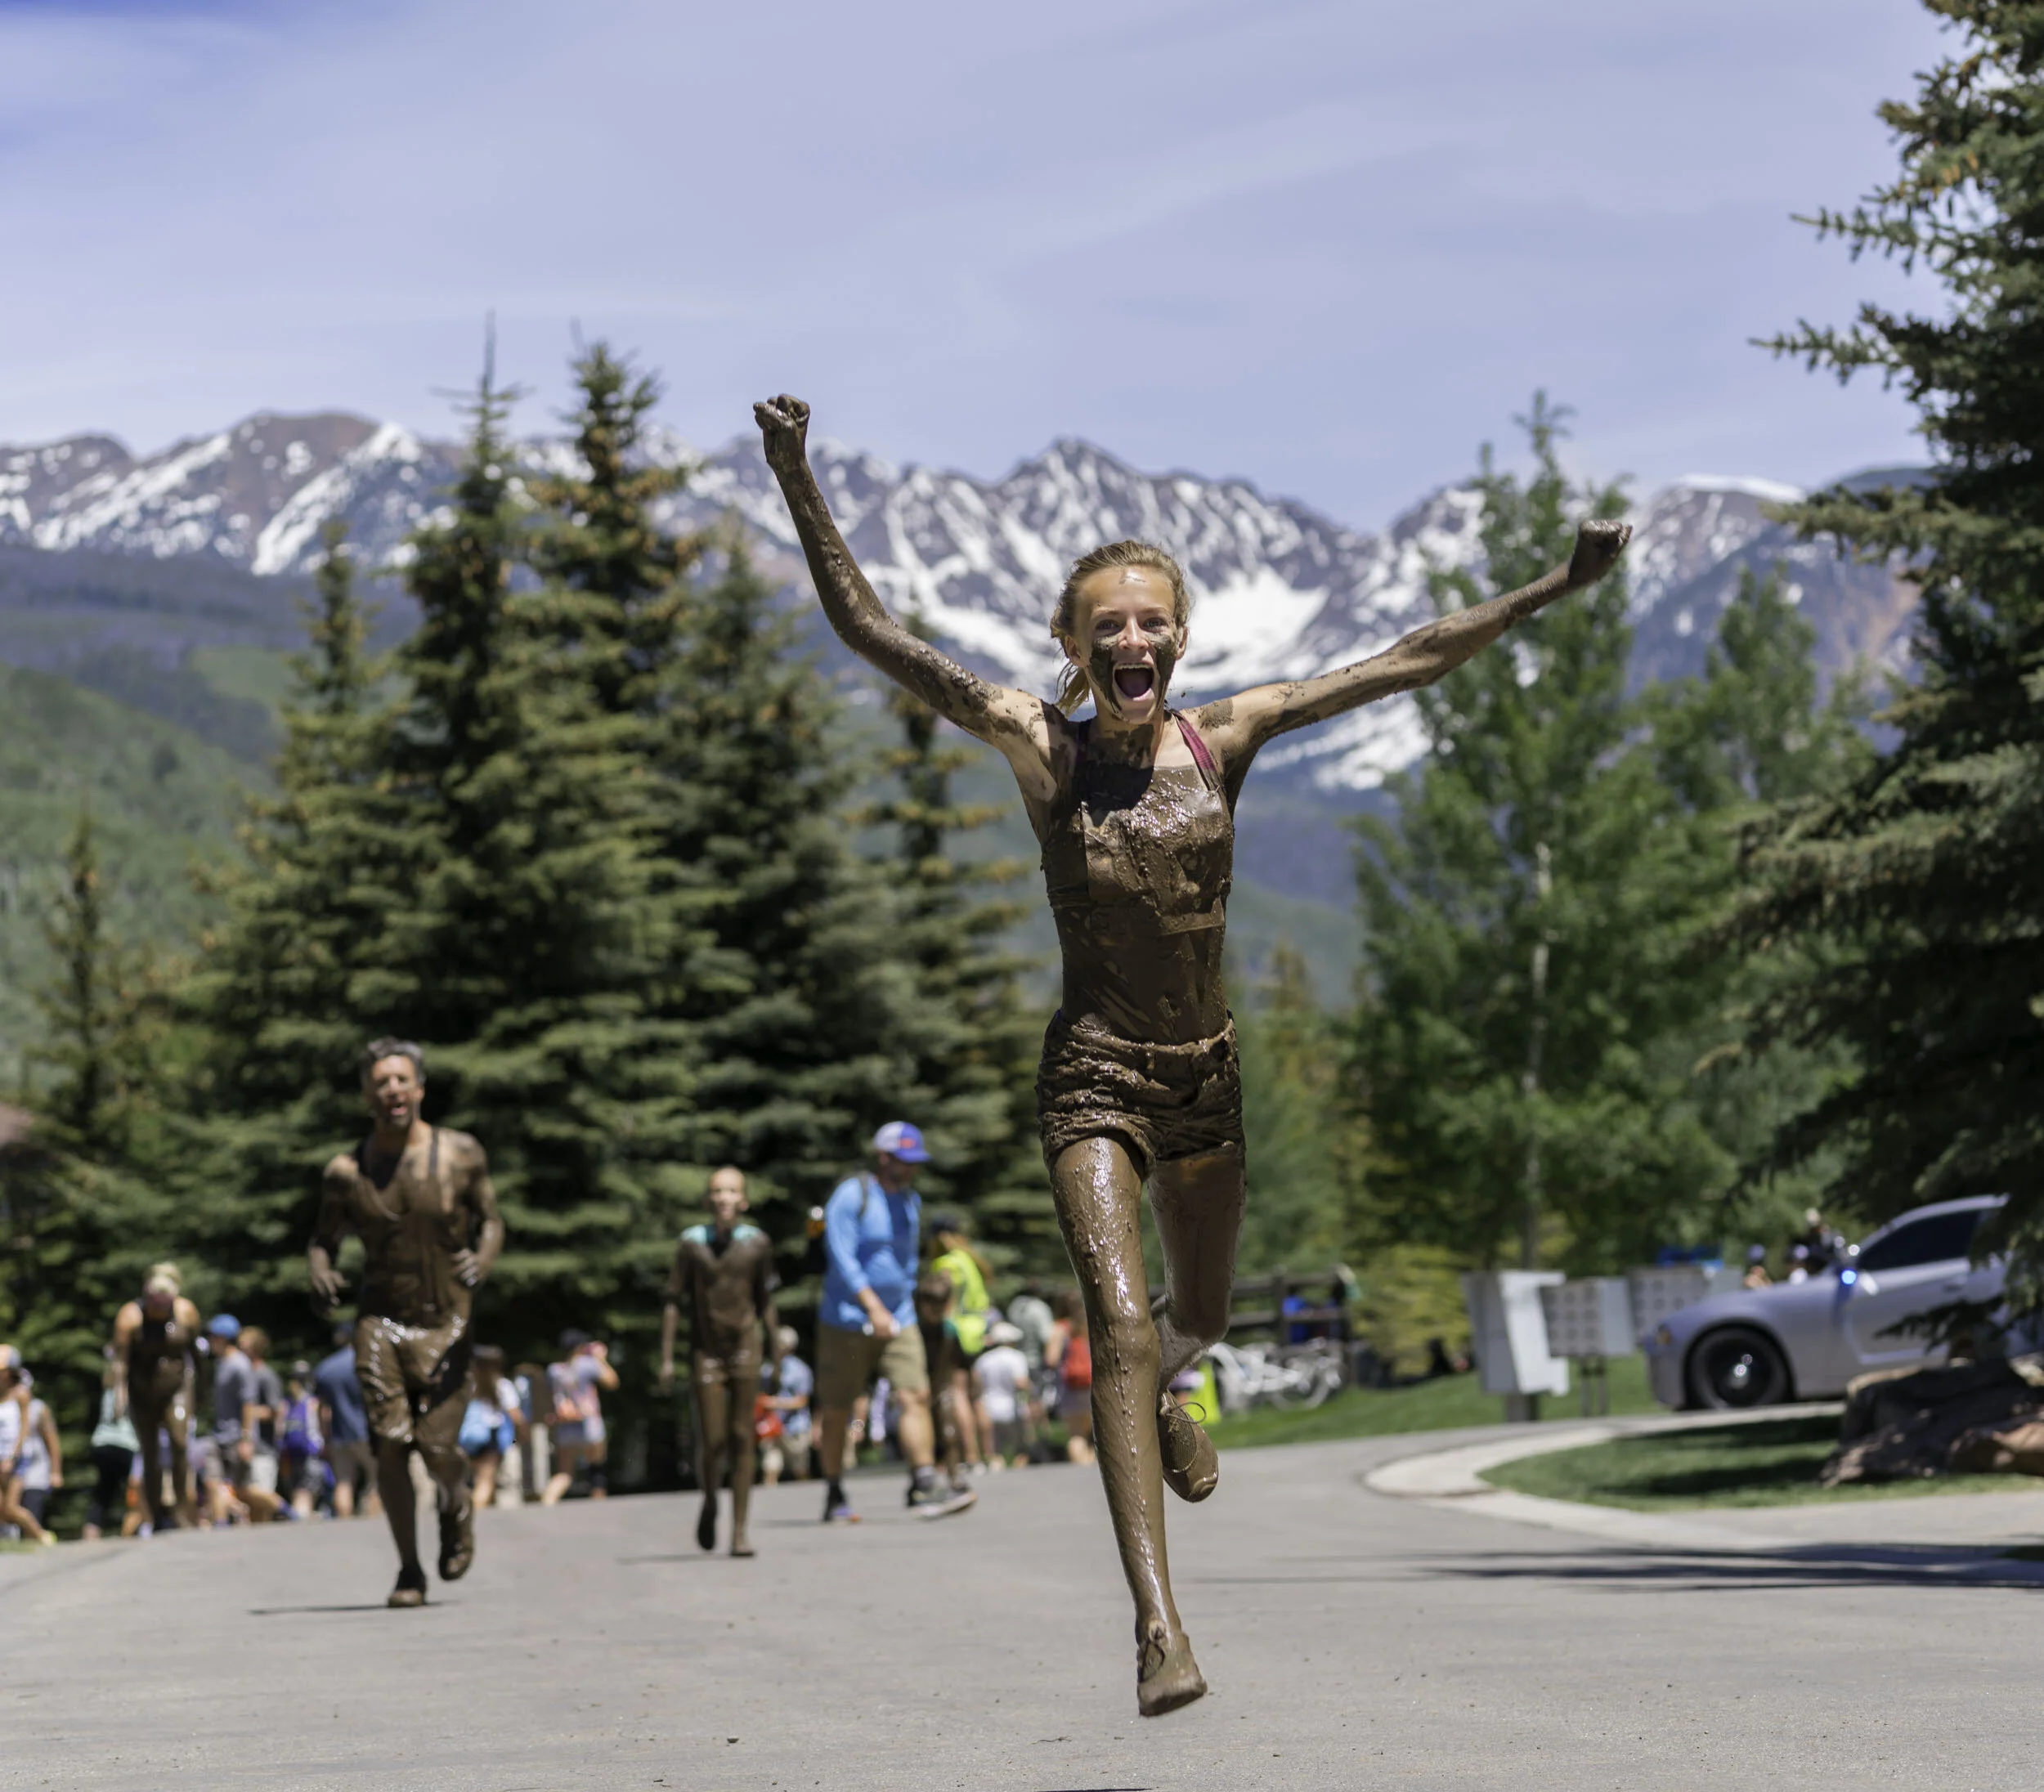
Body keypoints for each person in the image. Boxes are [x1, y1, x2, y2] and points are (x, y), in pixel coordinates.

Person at [755, 388, 1629, 1714]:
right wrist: (796, 473)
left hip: (1206, 1077)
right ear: (1072, 642)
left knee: (1196, 1318)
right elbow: (872, 630)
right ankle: (1159, 1627)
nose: (1130, 638)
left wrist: (1557, 584)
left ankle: (1169, 1387)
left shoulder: (1222, 739)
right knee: (1118, 1318)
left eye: (1150, 620)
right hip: (1095, 1075)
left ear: (1177, 638)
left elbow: (1409, 656)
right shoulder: (1038, 747)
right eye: (1105, 623)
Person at [307, 1036, 504, 1607]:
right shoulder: (347, 1171)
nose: (392, 1090)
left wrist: (483, 1258)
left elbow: (492, 1221)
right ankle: (409, 1570)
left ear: (419, 1088)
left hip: (448, 1322)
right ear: (367, 1094)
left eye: (401, 1079)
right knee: (391, 1443)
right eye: (380, 1081)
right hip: (380, 1321)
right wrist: (320, 1271)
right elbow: (322, 1241)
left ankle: (456, 1501)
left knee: (438, 1448)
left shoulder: (461, 1153)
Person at [813, 1122, 974, 1525]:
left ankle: (923, 1482)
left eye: (915, 1162)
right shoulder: (852, 1197)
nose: (911, 1169)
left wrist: (904, 1308)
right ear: (883, 1158)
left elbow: (905, 1263)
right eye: (904, 1161)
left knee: (915, 1395)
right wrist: (872, 1308)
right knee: (837, 1410)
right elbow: (842, 1258)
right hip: (845, 1320)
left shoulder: (910, 1201)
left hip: (899, 1317)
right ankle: (834, 1490)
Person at [658, 1166, 779, 1557]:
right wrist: (666, 1357)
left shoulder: (757, 1244)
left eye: (731, 1191)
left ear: (742, 1200)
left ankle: (740, 1532)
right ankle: (711, 1499)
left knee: (744, 1436)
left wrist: (776, 1350)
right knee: (713, 1440)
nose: (724, 1197)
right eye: (717, 1191)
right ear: (708, 1200)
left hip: (745, 1345)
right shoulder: (692, 1245)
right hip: (706, 1350)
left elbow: (765, 1301)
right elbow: (673, 1302)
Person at [110, 1263, 201, 1533]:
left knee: (180, 1442)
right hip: (142, 1391)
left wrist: (203, 1389)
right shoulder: (129, 1317)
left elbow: (196, 1357)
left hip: (177, 1389)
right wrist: (119, 1396)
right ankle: (154, 1514)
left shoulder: (186, 1313)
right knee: (149, 1452)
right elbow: (119, 1363)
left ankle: (183, 1510)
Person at [928, 1211, 997, 1470]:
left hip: (957, 1333)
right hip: (977, 1332)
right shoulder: (968, 1260)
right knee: (975, 1396)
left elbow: (944, 1300)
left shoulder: (947, 1264)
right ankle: (989, 1455)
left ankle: (971, 1456)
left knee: (957, 1394)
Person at [543, 1332, 619, 1503]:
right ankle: (599, 1505)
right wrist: (600, 1358)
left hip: (565, 1425)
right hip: (589, 1424)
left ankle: (547, 1501)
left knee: (564, 1474)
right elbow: (612, 1381)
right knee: (596, 1468)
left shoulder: (554, 1370)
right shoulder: (586, 1365)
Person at [315, 1322, 378, 1520]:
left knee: (343, 1481)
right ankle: (375, 1519)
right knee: (377, 1478)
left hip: (339, 1434)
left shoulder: (325, 1368)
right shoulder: (367, 1363)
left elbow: (322, 1409)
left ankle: (344, 1522)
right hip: (366, 1432)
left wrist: (325, 1437)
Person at [83, 1347, 139, 1540]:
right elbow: (119, 1410)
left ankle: (90, 1539)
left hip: (101, 1442)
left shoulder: (106, 1385)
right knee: (133, 1493)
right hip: (124, 1443)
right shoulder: (122, 1386)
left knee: (102, 1495)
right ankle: (132, 1535)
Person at [459, 1346, 524, 1511]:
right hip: (491, 1436)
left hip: (468, 1438)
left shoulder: (467, 1385)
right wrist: (522, 1435)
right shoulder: (502, 1385)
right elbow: (515, 1416)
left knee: (475, 1479)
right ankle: (473, 1515)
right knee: (485, 1481)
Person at [5, 1362, 61, 1540]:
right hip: (13, 1465)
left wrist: (55, 1471)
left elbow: (52, 1442)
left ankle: (37, 1539)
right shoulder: (7, 1406)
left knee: (28, 1506)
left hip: (35, 1468)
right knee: (8, 1510)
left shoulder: (39, 1409)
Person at [240, 1328, 286, 1521]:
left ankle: (292, 1514)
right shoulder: (244, 1373)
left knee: (260, 1494)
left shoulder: (265, 1375)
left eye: (244, 1343)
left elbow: (277, 1410)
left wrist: (250, 1413)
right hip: (247, 1446)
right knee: (251, 1502)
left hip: (263, 1448)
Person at [974, 1321, 1033, 1466]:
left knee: (995, 1454)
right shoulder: (1017, 1357)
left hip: (990, 1410)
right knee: (1021, 1451)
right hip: (1013, 1412)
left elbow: (976, 1388)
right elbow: (1021, 1383)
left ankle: (998, 1476)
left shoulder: (983, 1360)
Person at [759, 1328, 814, 1485]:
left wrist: (774, 1403)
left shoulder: (800, 1370)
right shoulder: (767, 1369)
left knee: (800, 1470)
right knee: (770, 1467)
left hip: (795, 1427)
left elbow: (802, 1400)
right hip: (772, 1425)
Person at [279, 1361, 327, 1519]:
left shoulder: (286, 1403)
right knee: (305, 1497)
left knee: (297, 1495)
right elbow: (323, 1426)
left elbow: (279, 1431)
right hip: (311, 1454)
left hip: (290, 1456)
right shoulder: (313, 1402)